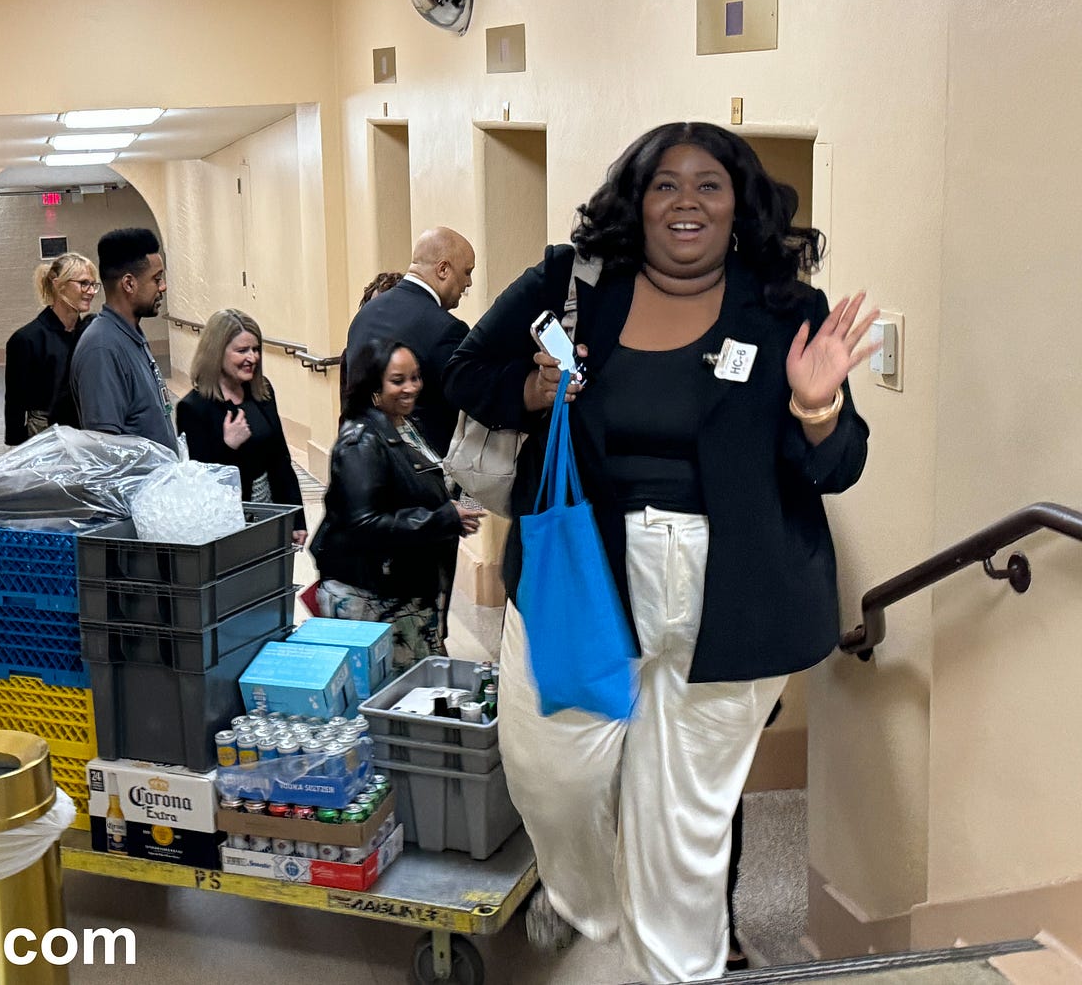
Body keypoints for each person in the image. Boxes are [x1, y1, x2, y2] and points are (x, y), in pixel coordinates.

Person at [445, 121, 876, 982]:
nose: (687, 201)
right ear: (634, 201)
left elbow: (837, 466)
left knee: (684, 818)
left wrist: (816, 408)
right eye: (665, 184)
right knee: (551, 771)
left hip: (733, 588)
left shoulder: (786, 306)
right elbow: (463, 374)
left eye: (709, 184)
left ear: (739, 201)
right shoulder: (571, 282)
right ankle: (588, 904)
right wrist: (531, 388)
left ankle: (675, 967)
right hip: (583, 568)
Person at [311, 339, 483, 669]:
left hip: (404, 592)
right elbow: (363, 524)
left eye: (415, 377)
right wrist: (442, 519)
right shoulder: (360, 441)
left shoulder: (401, 424)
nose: (411, 388)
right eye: (398, 380)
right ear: (373, 384)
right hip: (373, 599)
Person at [175, 309, 308, 546]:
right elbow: (198, 486)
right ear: (217, 353)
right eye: (242, 350)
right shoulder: (194, 408)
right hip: (226, 527)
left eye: (255, 349)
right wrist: (228, 447)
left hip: (268, 514)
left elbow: (280, 458)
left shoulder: (262, 392)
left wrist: (296, 518)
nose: (252, 358)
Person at [344, 228, 476, 455]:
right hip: (419, 472)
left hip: (364, 456)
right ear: (443, 269)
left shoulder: (364, 315)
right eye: (467, 272)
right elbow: (469, 403)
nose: (469, 283)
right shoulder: (446, 329)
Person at [70, 227, 176, 449]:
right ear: (129, 284)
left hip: (159, 481)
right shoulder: (102, 349)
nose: (163, 287)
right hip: (139, 484)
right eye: (157, 279)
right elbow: (106, 453)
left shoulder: (130, 335)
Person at [3, 252, 99, 445]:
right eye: (83, 283)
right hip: (45, 436)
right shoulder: (26, 339)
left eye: (93, 284)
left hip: (88, 431)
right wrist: (17, 450)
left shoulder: (91, 335)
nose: (90, 291)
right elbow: (15, 403)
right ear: (58, 284)